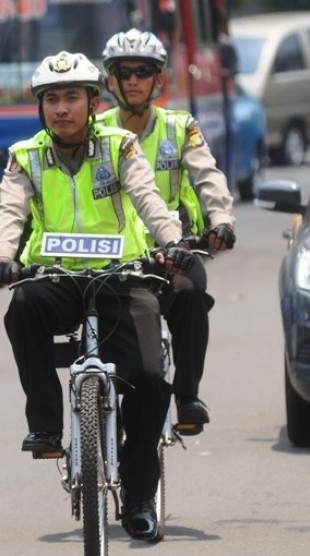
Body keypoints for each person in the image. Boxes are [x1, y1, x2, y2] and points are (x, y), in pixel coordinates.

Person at [0, 51, 194, 541]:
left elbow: (149, 198)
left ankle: (141, 495)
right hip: (56, 277)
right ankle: (44, 423)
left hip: (122, 276)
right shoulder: (25, 155)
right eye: (52, 99)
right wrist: (2, 255)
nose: (62, 108)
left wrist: (173, 241)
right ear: (41, 107)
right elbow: (11, 213)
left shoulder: (120, 147)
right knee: (23, 308)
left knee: (146, 376)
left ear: (94, 102)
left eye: (72, 98)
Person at [100, 28, 236, 433]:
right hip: (115, 250)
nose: (135, 80)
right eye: (125, 72)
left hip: (172, 250)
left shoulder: (180, 126)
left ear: (159, 79)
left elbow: (208, 176)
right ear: (111, 81)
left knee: (188, 294)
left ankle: (188, 395)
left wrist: (222, 220)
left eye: (145, 71)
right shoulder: (94, 131)